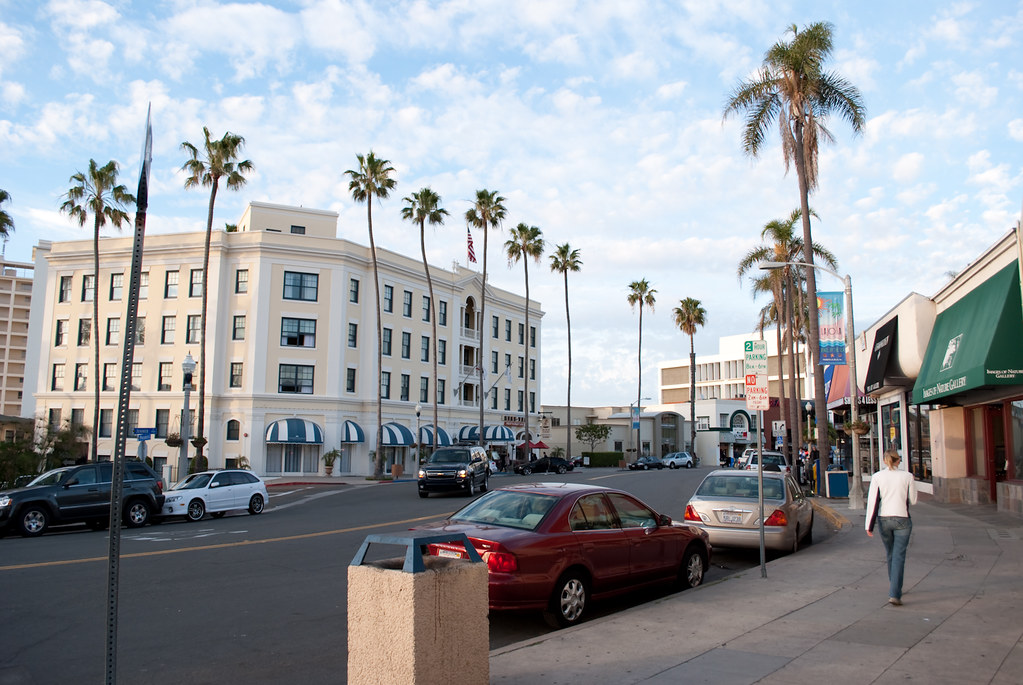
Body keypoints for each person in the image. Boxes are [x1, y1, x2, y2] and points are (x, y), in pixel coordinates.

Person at [865, 449, 918, 606]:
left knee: (890, 553)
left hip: (884, 519)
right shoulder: (907, 476)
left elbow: (873, 502)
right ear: (898, 461)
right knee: (899, 555)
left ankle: (894, 584)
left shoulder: (877, 477)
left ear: (884, 461)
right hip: (902, 518)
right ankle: (895, 592)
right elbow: (913, 500)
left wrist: (869, 525)